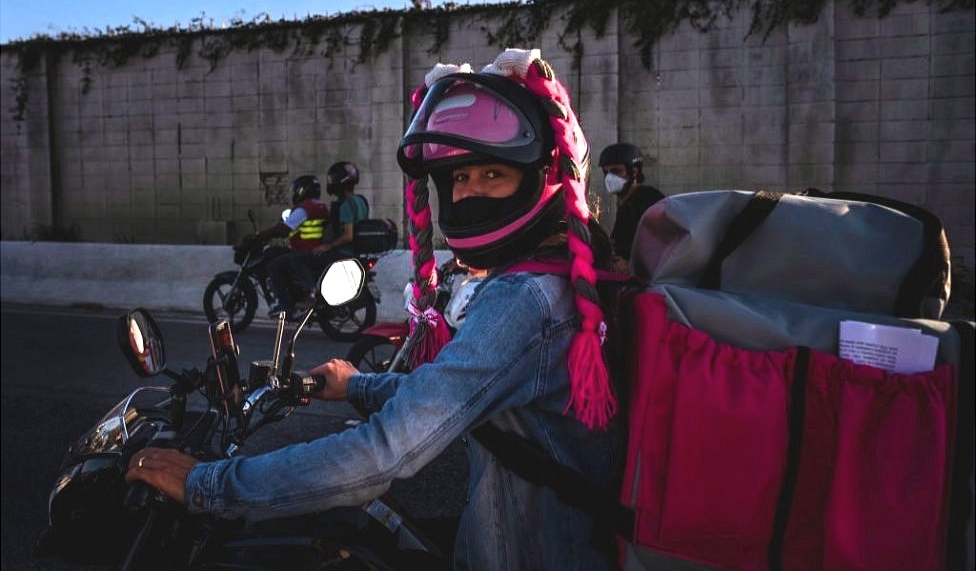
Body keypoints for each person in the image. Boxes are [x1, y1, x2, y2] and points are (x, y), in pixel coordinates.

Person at [125, 49, 624, 571]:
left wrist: (208, 484)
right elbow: (457, 390)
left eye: (491, 173)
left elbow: (385, 451)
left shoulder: (523, 298)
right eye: (457, 178)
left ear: (540, 174)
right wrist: (359, 385)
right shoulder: (556, 280)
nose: (469, 192)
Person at [265, 161, 369, 319]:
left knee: (296, 260)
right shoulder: (361, 201)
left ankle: (311, 295)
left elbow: (348, 235)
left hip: (341, 252)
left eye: (333, 179)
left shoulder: (346, 205)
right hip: (353, 252)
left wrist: (328, 246)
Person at [244, 174, 330, 319]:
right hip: (312, 249)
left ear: (301, 190)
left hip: (306, 252)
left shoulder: (304, 208)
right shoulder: (320, 206)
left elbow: (284, 229)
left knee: (273, 265)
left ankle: (285, 304)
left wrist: (260, 236)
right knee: (272, 252)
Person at [598, 142, 665, 274]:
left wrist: (632, 267)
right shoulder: (626, 206)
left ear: (634, 172)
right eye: (606, 172)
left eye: (616, 171)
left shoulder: (648, 200)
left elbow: (663, 248)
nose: (609, 178)